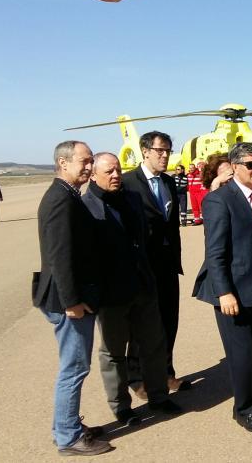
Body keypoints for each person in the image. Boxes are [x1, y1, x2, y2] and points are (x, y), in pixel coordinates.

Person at [193, 142, 252, 433]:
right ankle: (244, 409)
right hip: (233, 292)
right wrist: (224, 292)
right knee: (241, 354)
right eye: (251, 165)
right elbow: (216, 252)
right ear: (235, 167)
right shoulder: (219, 200)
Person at [82, 153, 183, 426]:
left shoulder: (132, 200)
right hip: (112, 295)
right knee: (114, 353)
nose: (116, 175)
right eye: (109, 172)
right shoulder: (85, 207)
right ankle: (121, 407)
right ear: (93, 175)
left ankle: (159, 396)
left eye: (117, 170)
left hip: (143, 287)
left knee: (153, 343)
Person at [32, 140, 111, 456]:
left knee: (75, 366)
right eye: (85, 161)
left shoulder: (67, 196)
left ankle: (67, 427)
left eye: (92, 160)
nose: (90, 166)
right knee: (74, 368)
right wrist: (71, 303)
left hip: (74, 297)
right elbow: (59, 257)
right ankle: (67, 437)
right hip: (68, 303)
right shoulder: (59, 201)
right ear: (63, 163)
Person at [121, 131, 191, 393]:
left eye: (168, 151)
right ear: (145, 151)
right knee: (141, 326)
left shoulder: (169, 183)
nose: (165, 156)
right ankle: (137, 378)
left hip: (167, 265)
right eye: (160, 151)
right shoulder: (128, 184)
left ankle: (166, 373)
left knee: (168, 321)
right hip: (141, 267)